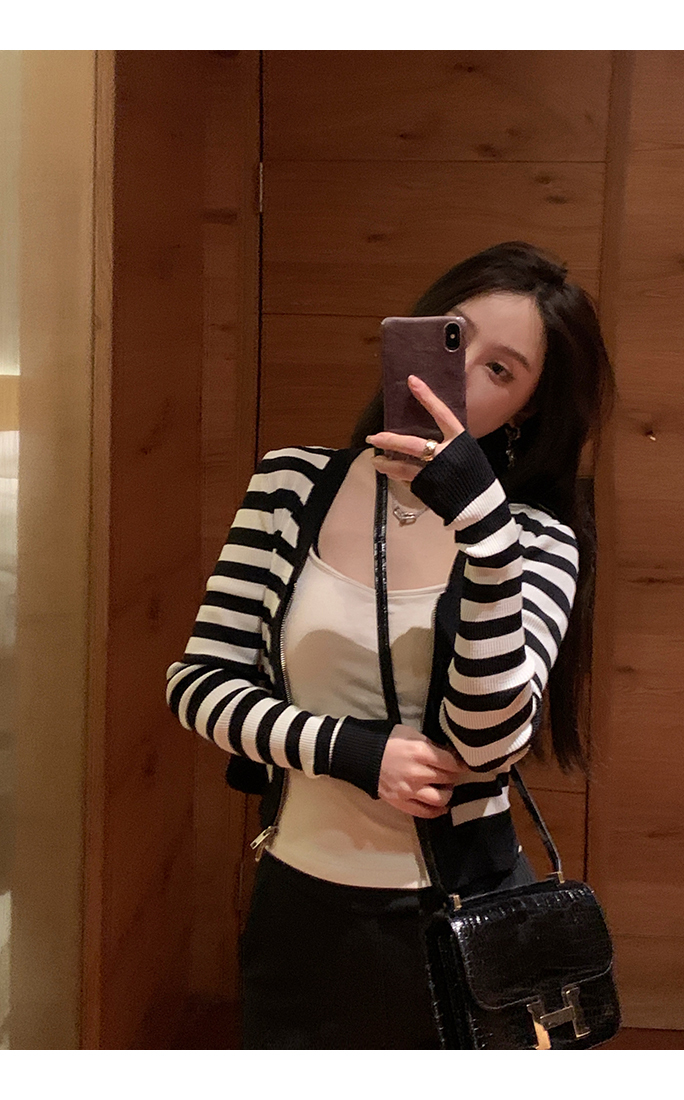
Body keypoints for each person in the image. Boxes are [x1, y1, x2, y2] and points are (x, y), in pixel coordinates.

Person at [166, 241, 615, 1049]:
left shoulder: (536, 541)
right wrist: (354, 752)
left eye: (501, 369)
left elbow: (486, 744)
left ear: (527, 411)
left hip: (465, 915)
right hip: (297, 906)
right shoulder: (291, 484)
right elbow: (199, 684)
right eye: (453, 338)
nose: (460, 374)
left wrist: (487, 539)